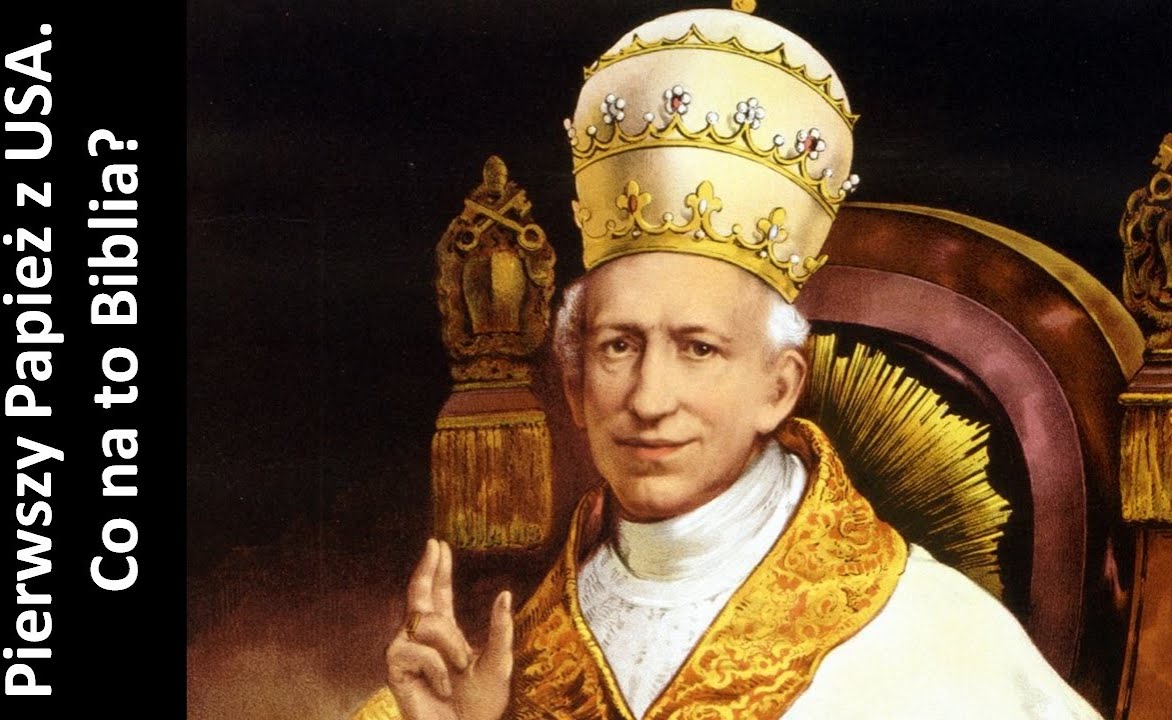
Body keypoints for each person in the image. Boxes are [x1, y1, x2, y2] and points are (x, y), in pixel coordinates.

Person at [354, 5, 1104, 718]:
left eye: (698, 348)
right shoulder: (510, 655)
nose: (649, 398)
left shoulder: (933, 636)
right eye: (619, 346)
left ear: (779, 388)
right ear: (575, 387)